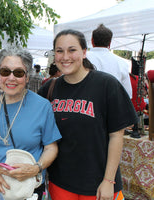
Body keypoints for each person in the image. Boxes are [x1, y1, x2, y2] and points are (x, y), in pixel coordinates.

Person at [38, 29, 137, 200]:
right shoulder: (49, 89)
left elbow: (116, 136)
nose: (65, 56)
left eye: (72, 50)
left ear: (84, 52)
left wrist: (108, 180)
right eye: (59, 51)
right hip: (61, 182)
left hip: (99, 183)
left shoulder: (106, 85)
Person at [0, 46, 61, 200]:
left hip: (25, 188)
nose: (11, 78)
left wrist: (36, 168)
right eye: (5, 71)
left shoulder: (42, 106)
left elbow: (51, 147)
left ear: (27, 77)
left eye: (19, 73)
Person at [87, 24, 132, 98]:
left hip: (86, 105)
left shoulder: (81, 59)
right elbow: (127, 95)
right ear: (110, 43)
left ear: (92, 41)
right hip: (111, 105)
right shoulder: (122, 63)